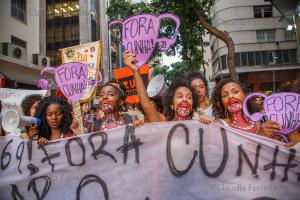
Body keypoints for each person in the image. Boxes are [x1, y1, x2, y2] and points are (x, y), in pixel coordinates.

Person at [211, 78, 300, 147]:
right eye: (225, 95)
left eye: (235, 92)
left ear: (244, 95)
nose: (230, 96)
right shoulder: (218, 126)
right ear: (221, 102)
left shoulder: (258, 123)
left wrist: (277, 137)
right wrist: (260, 135)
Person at [123, 51, 198, 122]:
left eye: (189, 97)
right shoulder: (163, 123)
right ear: (171, 104)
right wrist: (136, 72)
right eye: (179, 96)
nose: (185, 99)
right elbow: (146, 105)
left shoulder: (200, 124)